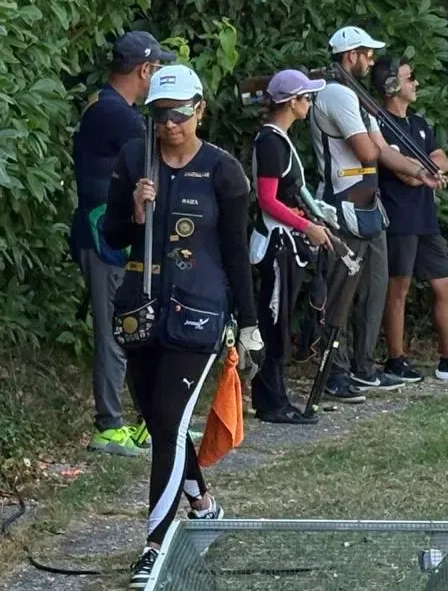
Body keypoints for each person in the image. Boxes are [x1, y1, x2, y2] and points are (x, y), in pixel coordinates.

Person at [101, 65, 262, 590]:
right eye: (159, 115)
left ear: (200, 110)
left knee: (170, 420)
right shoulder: (134, 159)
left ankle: (155, 544)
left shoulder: (224, 170)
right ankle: (203, 503)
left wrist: (251, 322)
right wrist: (134, 209)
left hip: (201, 312)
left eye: (179, 113)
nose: (169, 124)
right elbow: (112, 234)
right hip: (140, 308)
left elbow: (237, 254)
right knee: (158, 420)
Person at [307, 26, 442, 402]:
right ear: (351, 56)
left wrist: (420, 171)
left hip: (369, 207)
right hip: (339, 205)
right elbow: (368, 152)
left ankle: (364, 367)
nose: (372, 62)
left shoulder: (356, 95)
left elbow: (382, 148)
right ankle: (335, 371)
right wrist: (400, 161)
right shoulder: (335, 94)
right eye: (366, 54)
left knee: (374, 288)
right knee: (340, 294)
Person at [69, 30, 175, 458]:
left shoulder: (106, 105)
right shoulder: (118, 116)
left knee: (131, 329)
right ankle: (110, 425)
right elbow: (166, 152)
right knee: (116, 332)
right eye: (159, 71)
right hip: (104, 241)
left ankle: (140, 419)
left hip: (109, 238)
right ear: (145, 69)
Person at [371, 54, 448, 383]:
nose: (416, 83)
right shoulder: (378, 125)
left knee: (446, 284)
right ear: (391, 85)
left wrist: (428, 169)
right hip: (399, 219)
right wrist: (421, 170)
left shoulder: (419, 124)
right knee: (399, 288)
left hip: (425, 218)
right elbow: (404, 173)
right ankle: (396, 359)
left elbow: (440, 157)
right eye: (410, 78)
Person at [247, 69, 334, 424]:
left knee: (279, 322)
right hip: (275, 244)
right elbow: (267, 200)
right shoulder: (271, 142)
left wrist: (310, 216)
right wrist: (307, 226)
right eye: (306, 98)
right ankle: (271, 402)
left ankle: (275, 397)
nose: (309, 103)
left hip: (286, 242)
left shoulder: (279, 139)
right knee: (275, 323)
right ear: (291, 102)